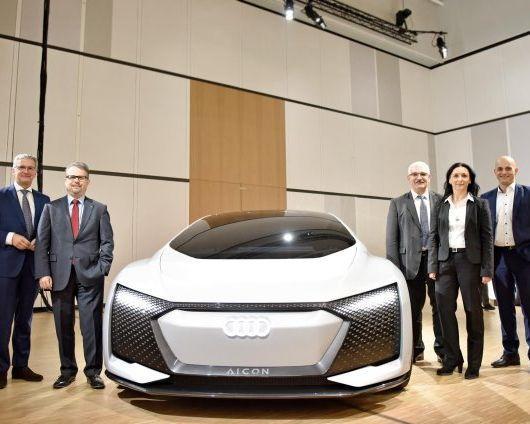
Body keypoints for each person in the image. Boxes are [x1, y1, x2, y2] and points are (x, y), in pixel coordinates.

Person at [35, 161, 114, 389]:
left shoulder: (99, 209)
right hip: (59, 276)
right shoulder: (51, 208)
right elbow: (42, 244)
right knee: (63, 325)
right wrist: (43, 273)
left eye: (81, 177)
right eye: (72, 177)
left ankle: (93, 372)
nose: (76, 181)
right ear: (65, 181)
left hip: (90, 276)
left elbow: (107, 242)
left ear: (88, 182)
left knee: (91, 326)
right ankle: (67, 371)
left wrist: (102, 268)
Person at [428, 162, 493, 379]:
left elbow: (487, 238)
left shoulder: (480, 204)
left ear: (470, 179)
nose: (460, 179)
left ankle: (473, 364)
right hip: (445, 262)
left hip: (470, 262)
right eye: (455, 175)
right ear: (449, 179)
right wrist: (432, 266)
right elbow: (433, 237)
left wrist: (487, 269)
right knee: (444, 311)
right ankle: (452, 358)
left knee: (473, 312)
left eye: (464, 175)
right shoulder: (440, 205)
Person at [0, 154, 50, 389]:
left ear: (36, 172)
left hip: (31, 268)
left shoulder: (44, 200)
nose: (26, 171)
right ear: (13, 170)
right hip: (6, 269)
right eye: (21, 167)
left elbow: (48, 230)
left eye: (31, 168)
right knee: (2, 321)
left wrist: (42, 240)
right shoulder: (1, 196)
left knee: (25, 320)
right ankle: (1, 369)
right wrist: (10, 238)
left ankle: (21, 366)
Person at [386, 161, 444, 363]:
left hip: (437, 262)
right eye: (415, 174)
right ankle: (415, 348)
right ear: (408, 178)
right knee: (412, 308)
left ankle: (443, 349)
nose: (419, 177)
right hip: (409, 264)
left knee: (440, 307)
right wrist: (394, 269)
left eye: (423, 174)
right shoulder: (398, 203)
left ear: (429, 177)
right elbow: (392, 239)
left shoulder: (441, 200)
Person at [481, 156, 530, 368]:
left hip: (524, 257)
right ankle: (510, 353)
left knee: (529, 306)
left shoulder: (528, 194)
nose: (504, 172)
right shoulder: (486, 199)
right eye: (500, 169)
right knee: (504, 307)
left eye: (508, 168)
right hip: (499, 258)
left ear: (516, 170)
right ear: (495, 172)